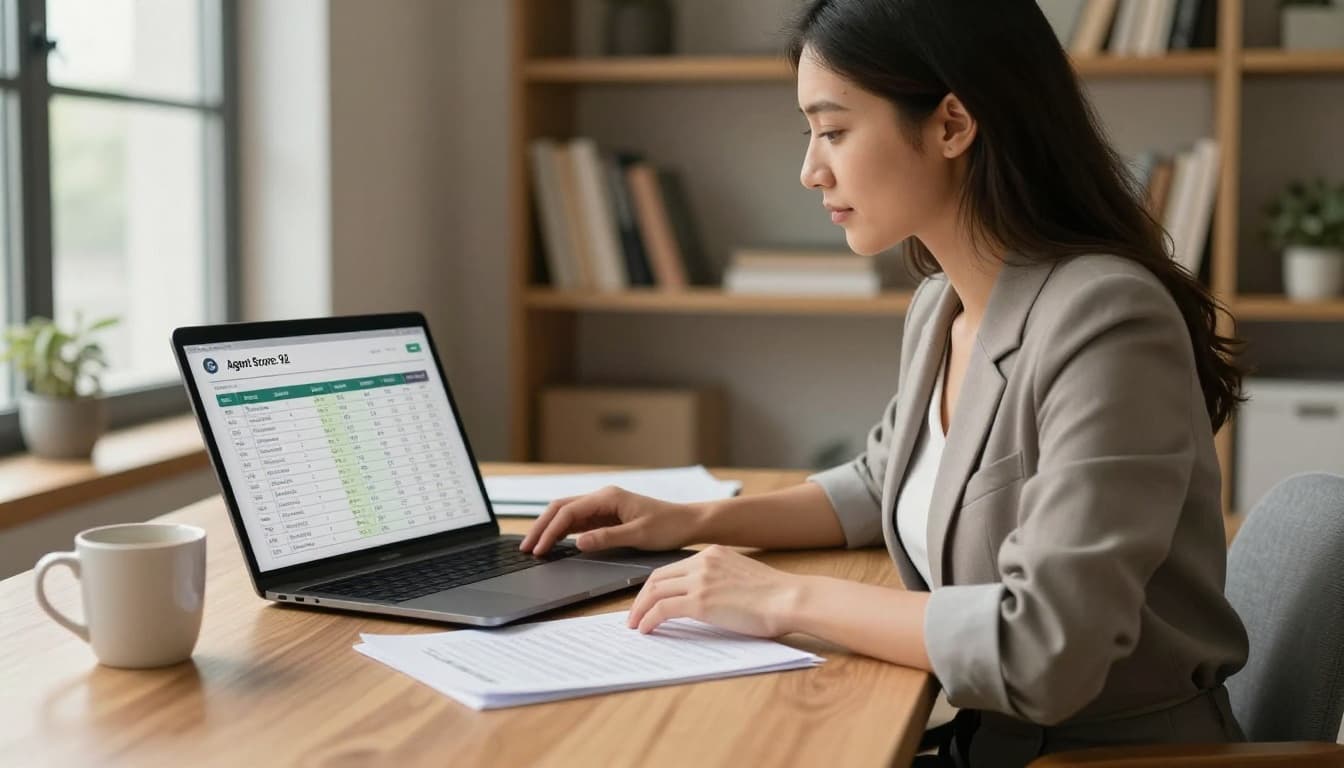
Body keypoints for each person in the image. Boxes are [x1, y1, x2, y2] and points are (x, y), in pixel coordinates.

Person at [520, 1, 1249, 764]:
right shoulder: (943, 303)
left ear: (951, 125)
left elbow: (1047, 649)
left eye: (833, 130)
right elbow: (883, 484)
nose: (811, 170)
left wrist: (777, 598)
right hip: (975, 736)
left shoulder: (1105, 319)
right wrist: (686, 521)